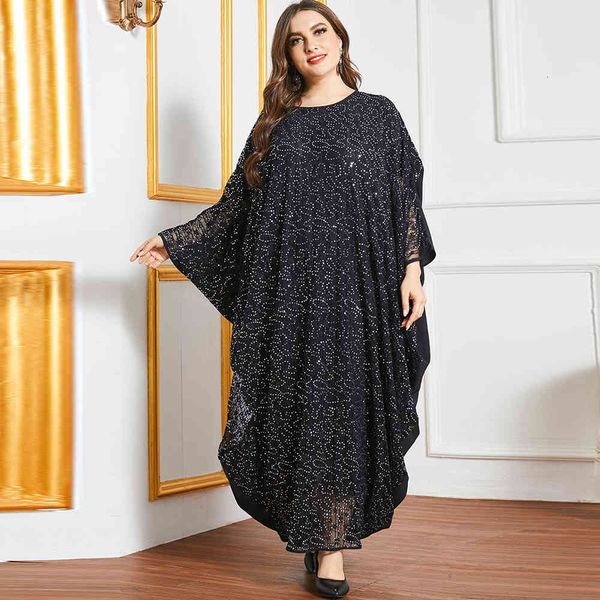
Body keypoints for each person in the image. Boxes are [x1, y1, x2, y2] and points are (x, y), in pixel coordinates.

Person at [130, 1, 436, 597]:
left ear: (339, 39)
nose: (311, 45)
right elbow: (237, 208)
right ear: (288, 56)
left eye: (320, 31)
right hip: (293, 296)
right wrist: (176, 241)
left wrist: (411, 271)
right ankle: (323, 541)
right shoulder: (277, 125)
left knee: (348, 411)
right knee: (304, 412)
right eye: (296, 39)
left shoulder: (379, 114)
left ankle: (330, 543)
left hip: (362, 290)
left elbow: (405, 196)